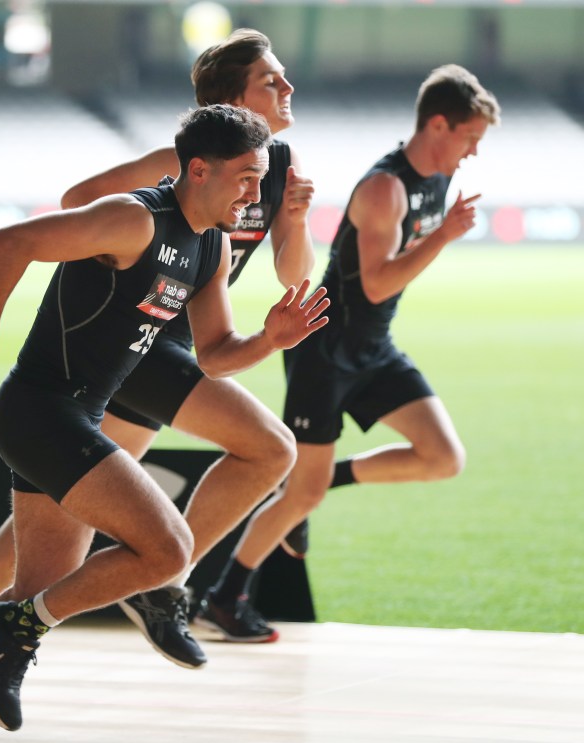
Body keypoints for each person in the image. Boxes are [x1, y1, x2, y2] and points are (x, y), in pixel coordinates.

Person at [0, 104, 329, 743]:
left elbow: (217, 353)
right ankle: (12, 630)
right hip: (38, 414)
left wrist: (269, 339)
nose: (256, 196)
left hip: (69, 418)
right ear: (198, 170)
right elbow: (11, 243)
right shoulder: (135, 219)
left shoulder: (211, 247)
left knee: (37, 591)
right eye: (247, 178)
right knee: (170, 550)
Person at [200, 63, 500, 643]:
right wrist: (442, 236)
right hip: (324, 348)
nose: (472, 153)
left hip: (372, 347)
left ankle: (320, 479)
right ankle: (225, 595)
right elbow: (377, 284)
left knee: (442, 456)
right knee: (302, 495)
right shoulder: (385, 187)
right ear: (439, 125)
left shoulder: (436, 179)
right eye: (469, 138)